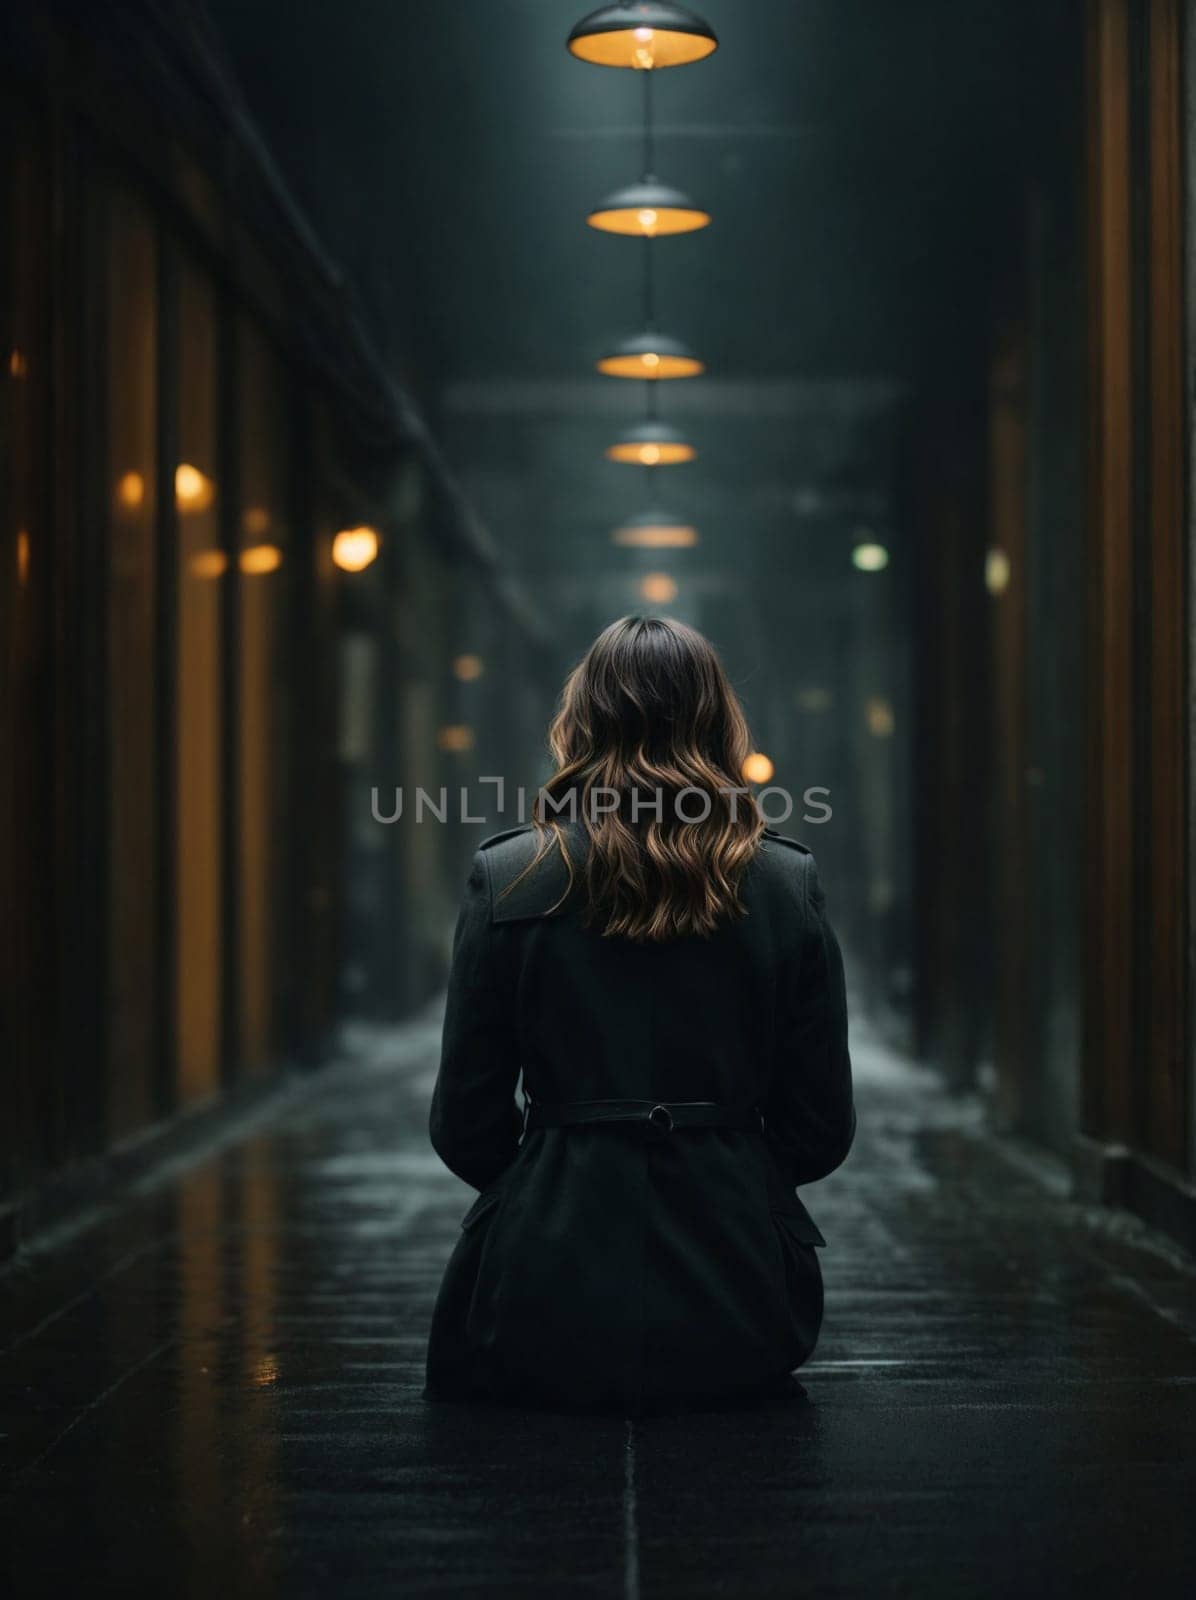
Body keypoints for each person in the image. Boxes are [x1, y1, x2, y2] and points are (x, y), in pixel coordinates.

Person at [425, 615, 854, 1414]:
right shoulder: (785, 885)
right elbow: (821, 1126)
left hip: (539, 1297)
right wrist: (730, 1170)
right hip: (743, 1305)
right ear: (718, 723)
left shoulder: (510, 876)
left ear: (581, 723)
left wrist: (554, 1176)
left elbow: (464, 1122)